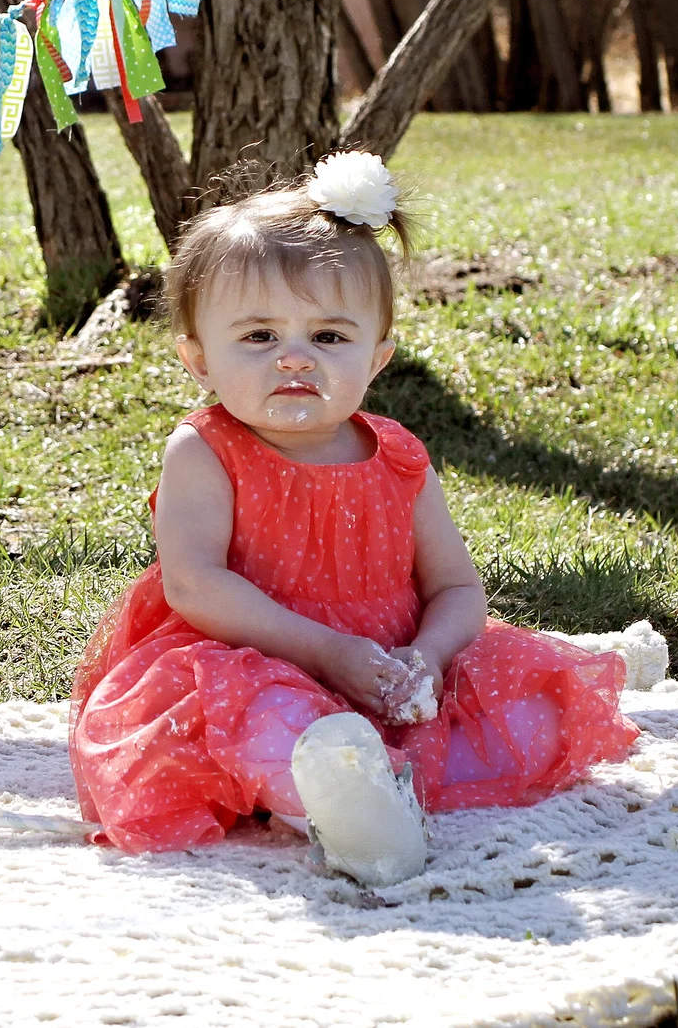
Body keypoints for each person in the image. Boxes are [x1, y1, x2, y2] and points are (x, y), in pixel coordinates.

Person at [68, 152, 637, 881]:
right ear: (197, 356)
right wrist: (326, 652)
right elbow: (196, 586)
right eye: (259, 336)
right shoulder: (206, 450)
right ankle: (338, 802)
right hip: (250, 660)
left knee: (533, 712)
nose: (295, 359)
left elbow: (458, 590)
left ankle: (374, 786)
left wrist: (426, 658)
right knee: (259, 721)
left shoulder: (398, 457)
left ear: (378, 356)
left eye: (329, 337)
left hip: (385, 668)